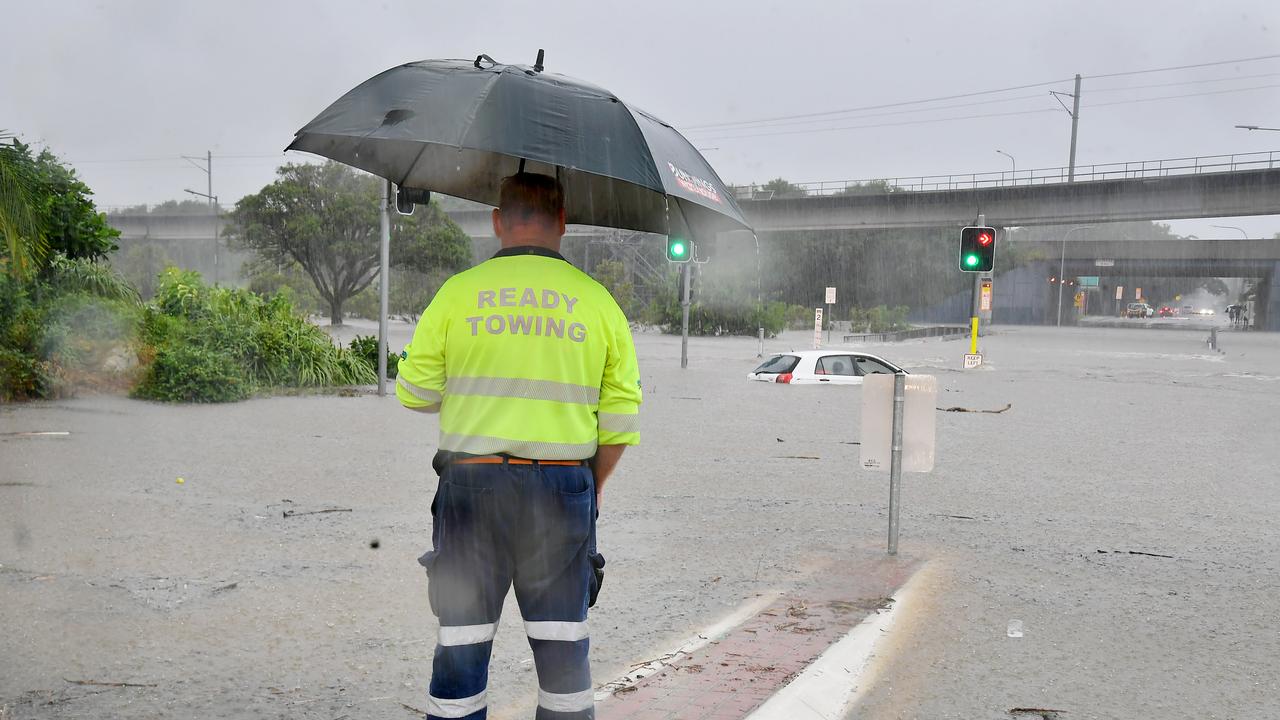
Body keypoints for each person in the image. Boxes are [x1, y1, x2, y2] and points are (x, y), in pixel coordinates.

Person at [396, 172, 642, 720]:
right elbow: (621, 421)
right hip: (562, 490)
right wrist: (591, 487)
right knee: (562, 655)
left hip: (471, 487)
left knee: (461, 647)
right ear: (562, 222)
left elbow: (414, 394)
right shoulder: (598, 303)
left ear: (498, 221)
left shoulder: (457, 294)